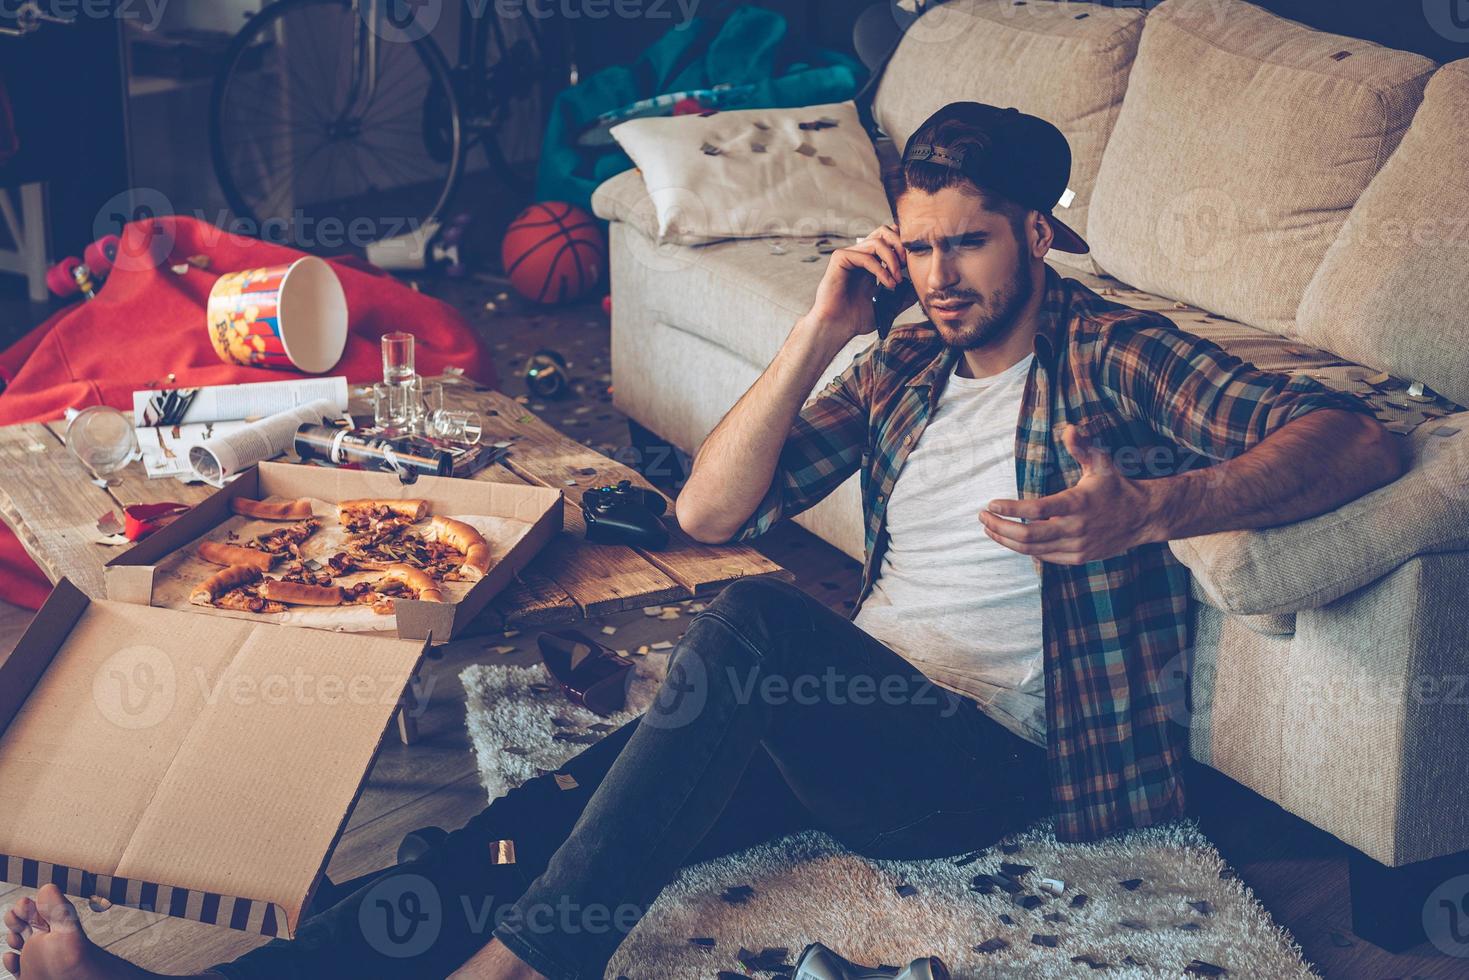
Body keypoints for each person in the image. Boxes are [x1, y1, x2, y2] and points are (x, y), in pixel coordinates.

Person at [3, 102, 1402, 980]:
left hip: (986, 767)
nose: (942, 278)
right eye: (917, 248)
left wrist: (1153, 508)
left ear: (1037, 234)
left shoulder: (1116, 355)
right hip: (851, 714)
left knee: (740, 627)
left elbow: (1354, 435)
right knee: (530, 833)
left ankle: (524, 976)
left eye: (968, 246)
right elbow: (706, 513)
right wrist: (816, 331)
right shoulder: (906, 362)